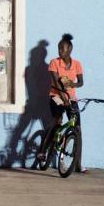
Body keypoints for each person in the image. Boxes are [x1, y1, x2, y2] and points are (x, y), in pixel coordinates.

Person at [39, 32, 88, 173]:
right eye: (58, 48)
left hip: (71, 97)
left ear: (69, 50)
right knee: (57, 120)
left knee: (77, 128)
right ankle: (43, 151)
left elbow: (81, 82)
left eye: (62, 48)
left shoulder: (77, 64)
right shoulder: (54, 63)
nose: (59, 51)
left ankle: (78, 164)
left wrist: (72, 85)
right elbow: (55, 82)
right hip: (56, 96)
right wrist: (63, 96)